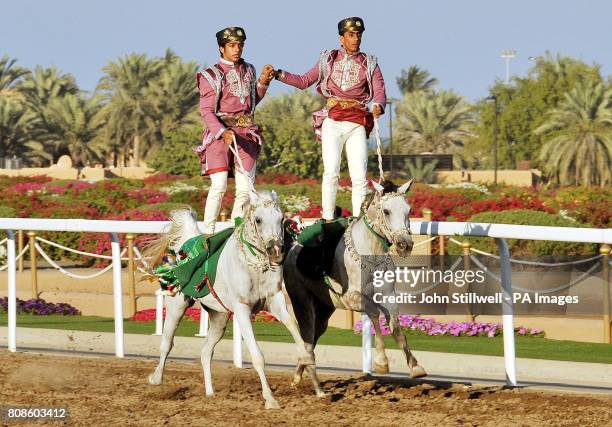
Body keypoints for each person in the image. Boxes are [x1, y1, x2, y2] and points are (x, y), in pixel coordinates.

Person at [268, 17, 387, 221]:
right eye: (351, 35)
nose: (355, 38)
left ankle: (359, 220)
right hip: (332, 122)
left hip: (357, 123)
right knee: (330, 173)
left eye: (359, 34)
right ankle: (328, 218)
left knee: (359, 177)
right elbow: (304, 81)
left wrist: (378, 105)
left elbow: (380, 91)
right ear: (341, 38)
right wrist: (279, 74)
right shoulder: (328, 59)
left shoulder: (370, 63)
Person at [194, 26, 275, 236]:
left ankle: (235, 232)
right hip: (220, 135)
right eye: (231, 45)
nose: (237, 49)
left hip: (246, 133)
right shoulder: (210, 75)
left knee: (245, 190)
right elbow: (206, 111)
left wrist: (264, 82)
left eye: (240, 45)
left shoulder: (249, 69)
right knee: (219, 186)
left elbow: (252, 101)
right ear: (222, 48)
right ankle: (208, 234)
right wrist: (222, 132)